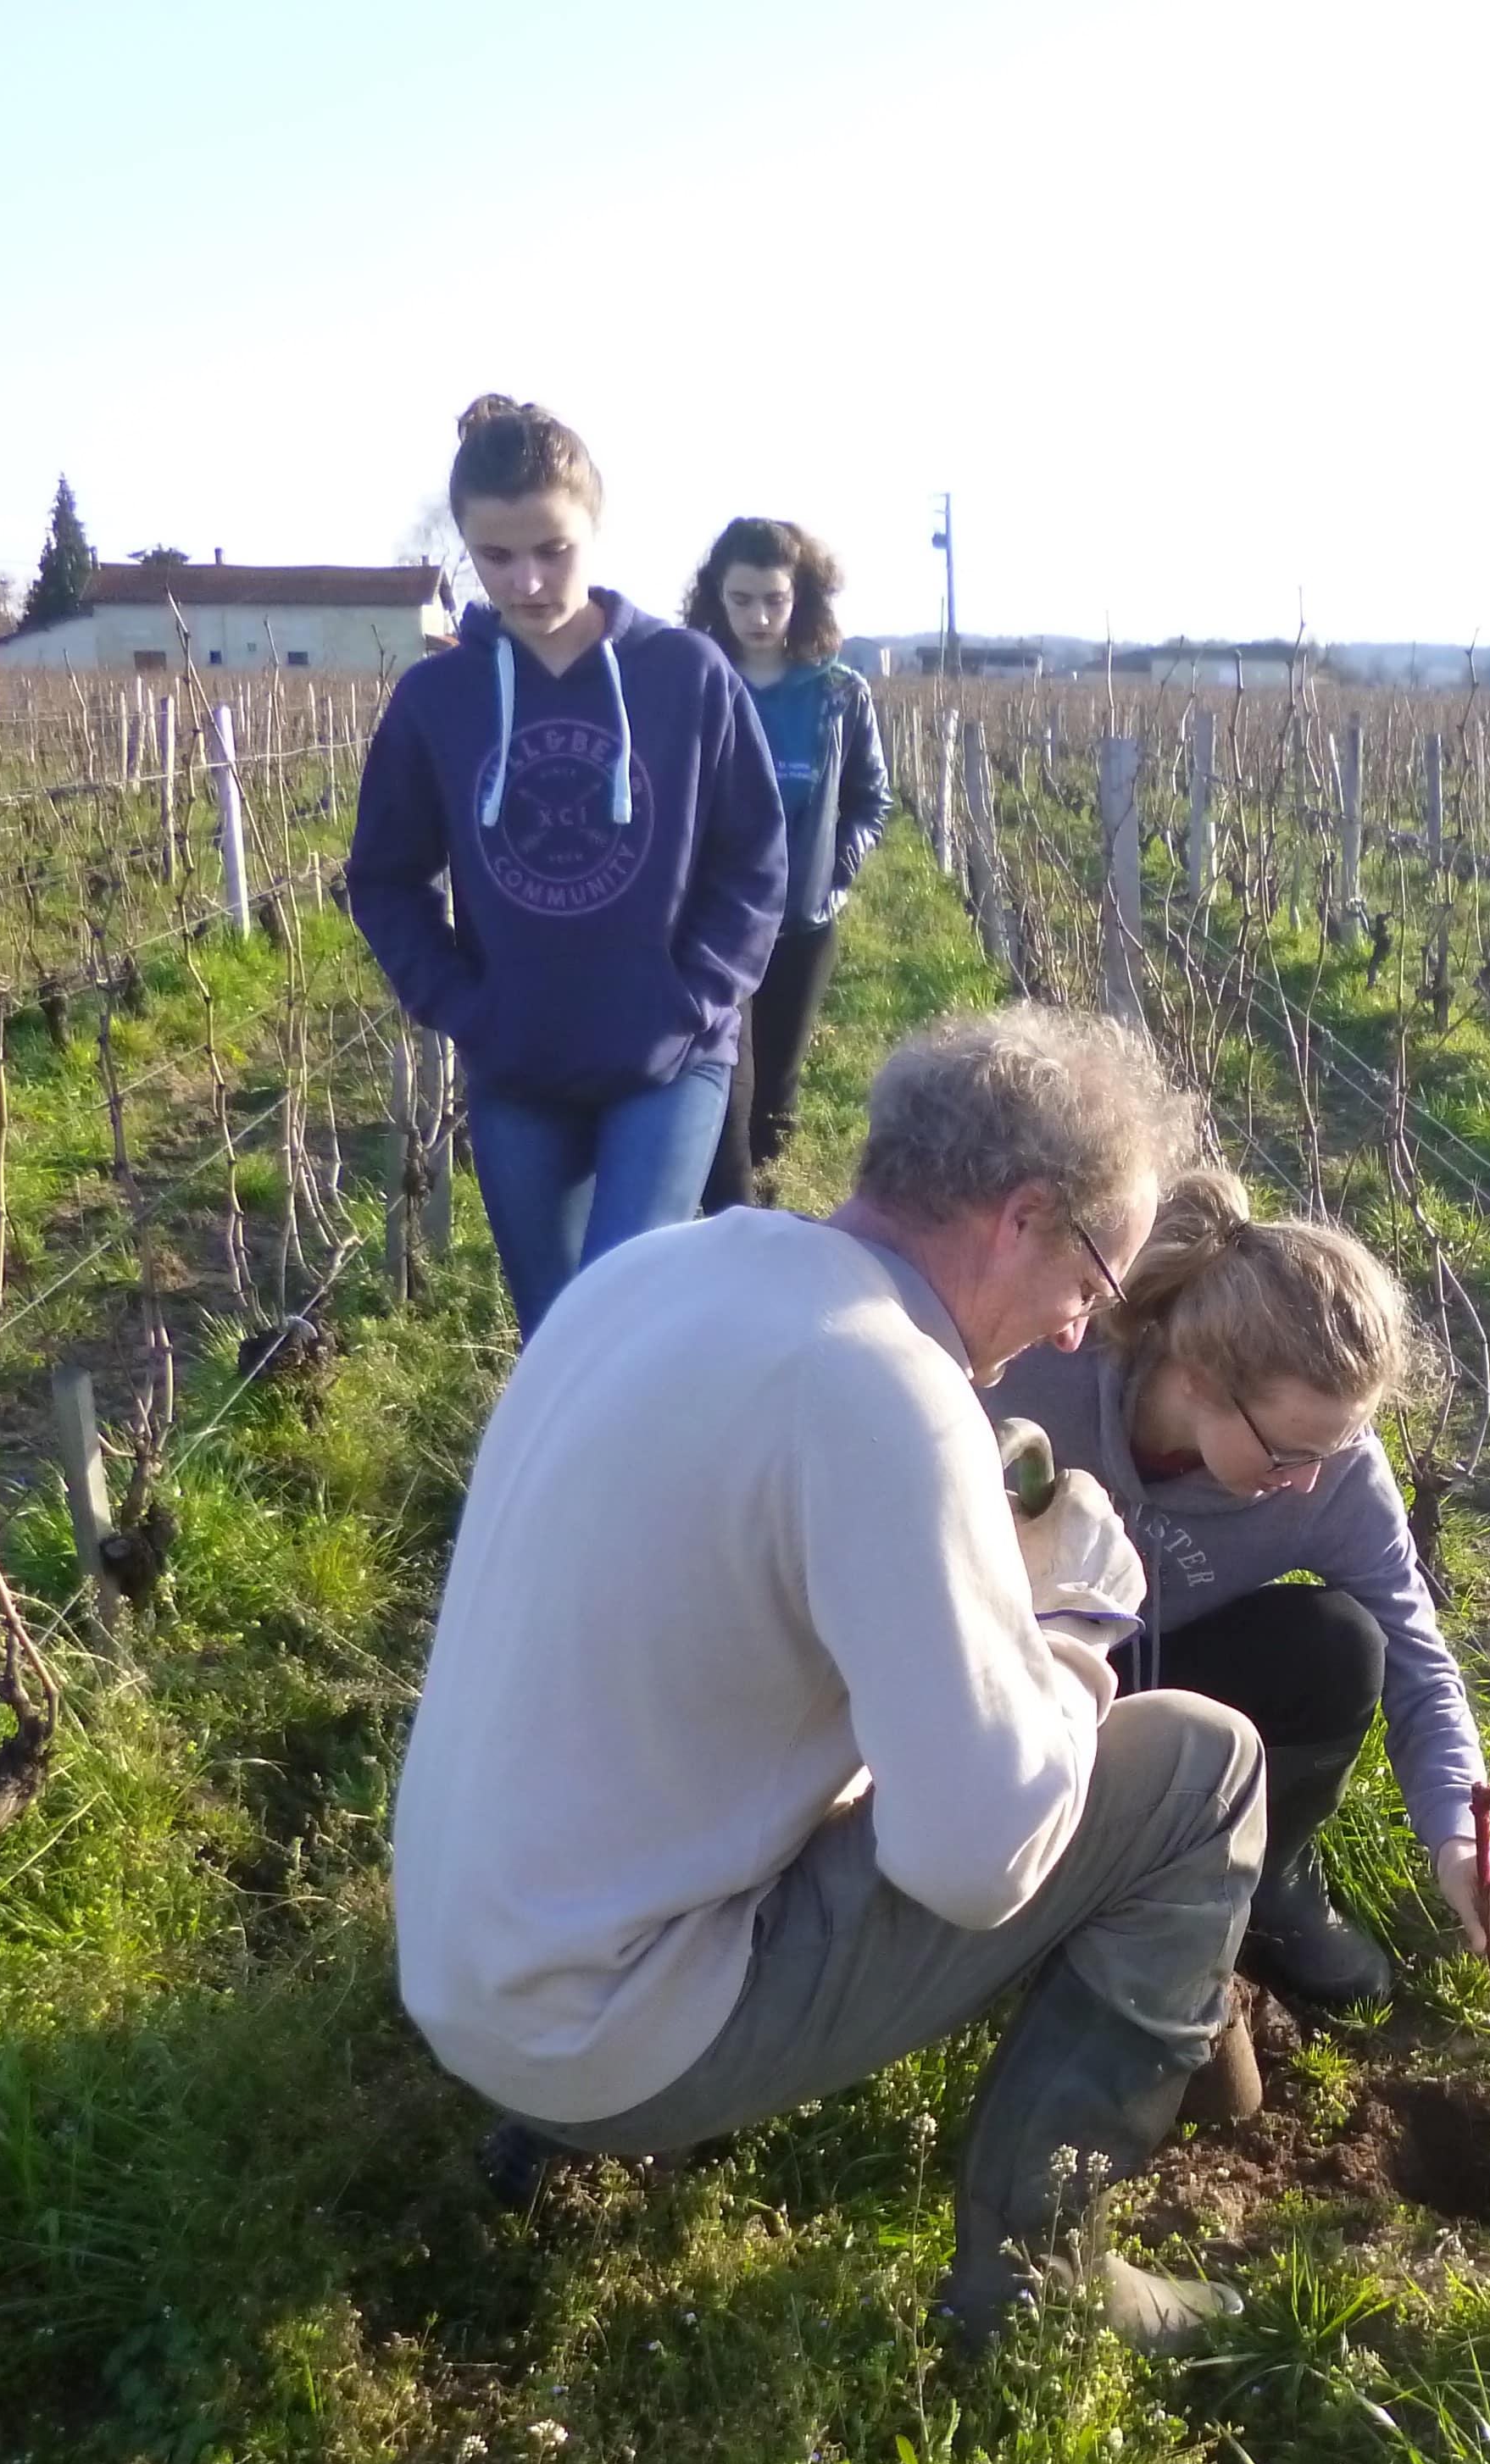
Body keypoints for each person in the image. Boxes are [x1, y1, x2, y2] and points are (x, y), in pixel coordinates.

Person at [394, 1008, 1262, 2350]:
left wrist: (966, 1558)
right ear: (1022, 1215)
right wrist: (1076, 1617)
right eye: (1094, 1277)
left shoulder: (664, 1269)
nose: (1085, 1331)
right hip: (603, 2037)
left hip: (472, 1963)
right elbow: (978, 1857)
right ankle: (1041, 2279)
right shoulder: (883, 1389)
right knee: (1205, 1762)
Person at [981, 1168, 1490, 2017]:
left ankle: (1256, 1873)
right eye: (1288, 1452)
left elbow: (1419, 1658)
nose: (1312, 1481)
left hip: (1156, 1677)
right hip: (1002, 1664)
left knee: (1340, 1646)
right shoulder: (1044, 1369)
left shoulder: (1332, 1474)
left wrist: (1462, 1836)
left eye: (1338, 1446)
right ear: (1200, 1378)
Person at [345, 397, 787, 1337]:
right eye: (497, 556)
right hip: (518, 1067)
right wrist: (466, 1008)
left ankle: (675, 1477)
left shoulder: (688, 674)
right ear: (466, 545)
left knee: (622, 1316)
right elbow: (386, 877)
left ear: (596, 529)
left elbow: (752, 861)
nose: (529, 579)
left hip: (668, 1061)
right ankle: (577, 1482)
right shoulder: (439, 700)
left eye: (553, 549)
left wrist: (693, 999)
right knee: (554, 1332)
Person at [678, 519, 892, 1213]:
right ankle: (725, 1218)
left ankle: (766, 1207)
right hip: (711, 917)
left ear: (801, 599)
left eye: (774, 599)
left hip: (802, 921)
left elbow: (871, 799)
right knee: (722, 1071)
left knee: (776, 1081)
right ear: (717, 598)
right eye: (742, 600)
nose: (759, 617)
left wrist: (835, 875)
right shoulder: (694, 684)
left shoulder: (838, 693)